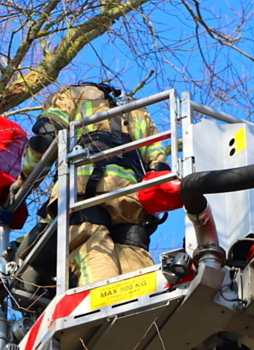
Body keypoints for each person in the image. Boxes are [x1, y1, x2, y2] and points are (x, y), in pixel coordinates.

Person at [18, 82, 173, 295]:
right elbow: (158, 161)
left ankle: (101, 303)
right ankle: (143, 309)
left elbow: (46, 137)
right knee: (133, 253)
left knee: (90, 242)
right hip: (131, 197)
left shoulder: (71, 95)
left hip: (85, 186)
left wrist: (22, 181)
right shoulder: (138, 110)